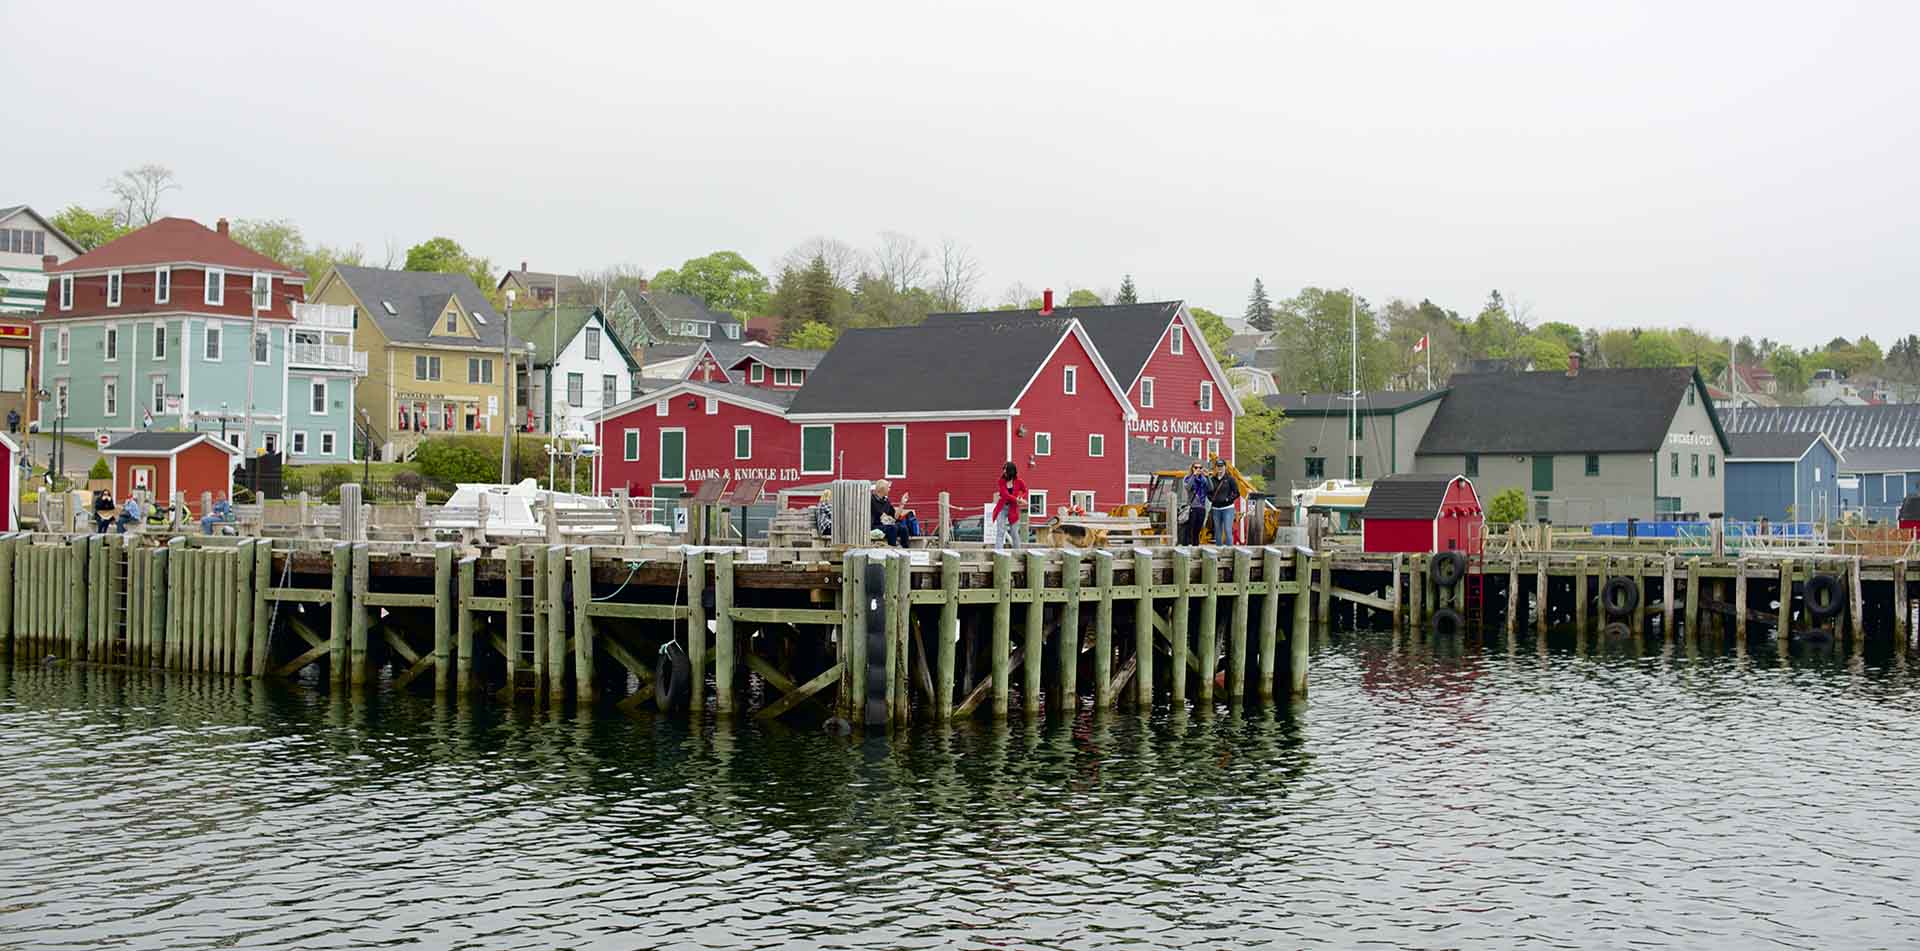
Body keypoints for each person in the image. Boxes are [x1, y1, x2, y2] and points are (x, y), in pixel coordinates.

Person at [992, 462, 1027, 549]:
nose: (1004, 471)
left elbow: (1024, 490)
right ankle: (999, 553)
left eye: (1006, 469)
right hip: (1002, 508)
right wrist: (1018, 500)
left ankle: (1017, 553)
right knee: (1000, 531)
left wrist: (1021, 497)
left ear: (1011, 471)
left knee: (1014, 532)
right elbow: (1005, 494)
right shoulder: (1001, 481)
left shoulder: (1019, 481)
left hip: (1013, 509)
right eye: (1003, 469)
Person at [870, 480, 911, 546]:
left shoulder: (886, 501)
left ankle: (905, 549)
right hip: (874, 526)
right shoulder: (871, 500)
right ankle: (892, 549)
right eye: (888, 488)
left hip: (885, 525)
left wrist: (902, 503)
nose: (889, 490)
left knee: (903, 527)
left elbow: (895, 516)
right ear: (882, 489)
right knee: (892, 528)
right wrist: (883, 516)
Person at [1208, 459, 1240, 544]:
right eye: (1218, 466)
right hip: (1216, 508)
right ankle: (1219, 551)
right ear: (1215, 467)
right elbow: (1208, 492)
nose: (1220, 468)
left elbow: (1237, 493)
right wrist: (1211, 499)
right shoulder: (1212, 479)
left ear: (1225, 467)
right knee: (1217, 531)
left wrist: (1228, 499)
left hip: (1228, 508)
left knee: (1227, 529)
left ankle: (1229, 551)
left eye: (1221, 466)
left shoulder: (1230, 479)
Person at [1181, 462, 1211, 545]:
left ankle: (1196, 546)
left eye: (1200, 468)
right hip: (1192, 507)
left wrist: (1208, 477)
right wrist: (1194, 476)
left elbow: (1211, 488)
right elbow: (1188, 487)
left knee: (1198, 529)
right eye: (1196, 467)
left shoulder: (1204, 479)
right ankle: (1189, 545)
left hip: (1201, 507)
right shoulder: (1187, 478)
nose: (1198, 469)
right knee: (1191, 528)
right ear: (1192, 468)